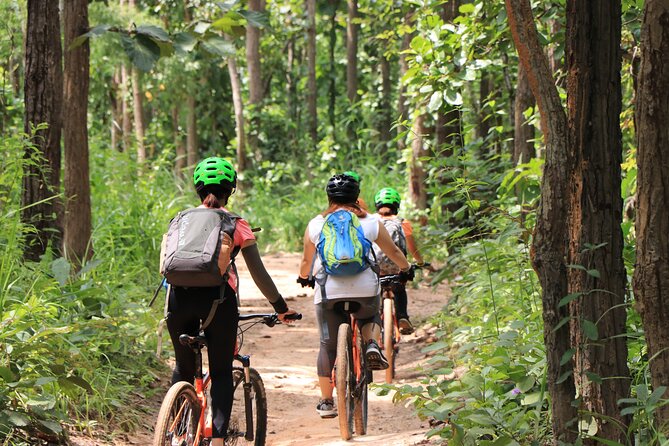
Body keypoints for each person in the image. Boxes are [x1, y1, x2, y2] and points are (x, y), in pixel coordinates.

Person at [165, 157, 297, 446]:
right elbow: (259, 273)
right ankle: (219, 436)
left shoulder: (180, 219)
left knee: (182, 368)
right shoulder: (236, 223)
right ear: (231, 189)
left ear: (198, 189)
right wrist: (280, 307)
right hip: (218, 303)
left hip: (177, 300)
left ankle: (174, 431)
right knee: (222, 371)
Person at [297, 174, 412, 418]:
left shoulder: (316, 224)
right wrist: (406, 269)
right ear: (356, 197)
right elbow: (391, 250)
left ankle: (327, 401)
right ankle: (371, 343)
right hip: (365, 289)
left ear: (329, 198)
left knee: (327, 345)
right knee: (370, 315)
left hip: (328, 291)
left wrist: (304, 276)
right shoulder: (371, 222)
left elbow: (307, 261)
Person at [373, 187, 425, 335]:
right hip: (397, 267)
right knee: (399, 288)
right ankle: (403, 317)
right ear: (397, 205)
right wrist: (420, 262)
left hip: (375, 268)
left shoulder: (371, 220)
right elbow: (412, 249)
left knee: (374, 291)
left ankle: (375, 319)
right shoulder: (403, 222)